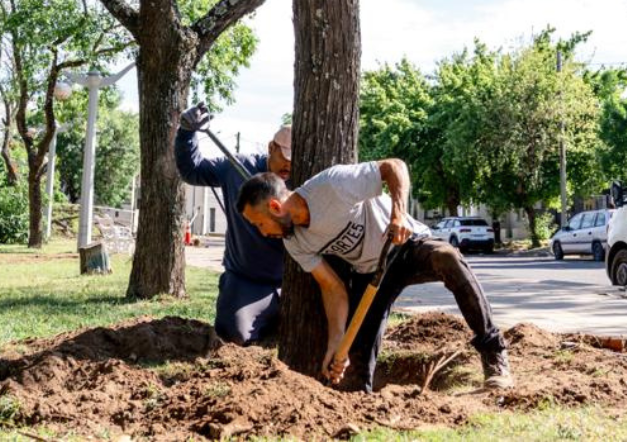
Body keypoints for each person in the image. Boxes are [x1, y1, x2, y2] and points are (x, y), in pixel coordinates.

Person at [237, 158, 513, 392]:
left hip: (407, 247)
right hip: (372, 275)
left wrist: (398, 215)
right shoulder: (294, 241)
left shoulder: (331, 186)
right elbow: (332, 287)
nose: (263, 233)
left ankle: (494, 355)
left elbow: (394, 167)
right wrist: (337, 341)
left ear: (276, 207)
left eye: (260, 224)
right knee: (353, 379)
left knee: (447, 257)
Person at [175, 105, 290, 344]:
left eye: (295, 159)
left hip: (294, 282)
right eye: (286, 158)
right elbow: (193, 170)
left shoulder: (306, 178)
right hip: (246, 282)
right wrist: (186, 134)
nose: (289, 166)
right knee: (234, 336)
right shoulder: (237, 168)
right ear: (271, 148)